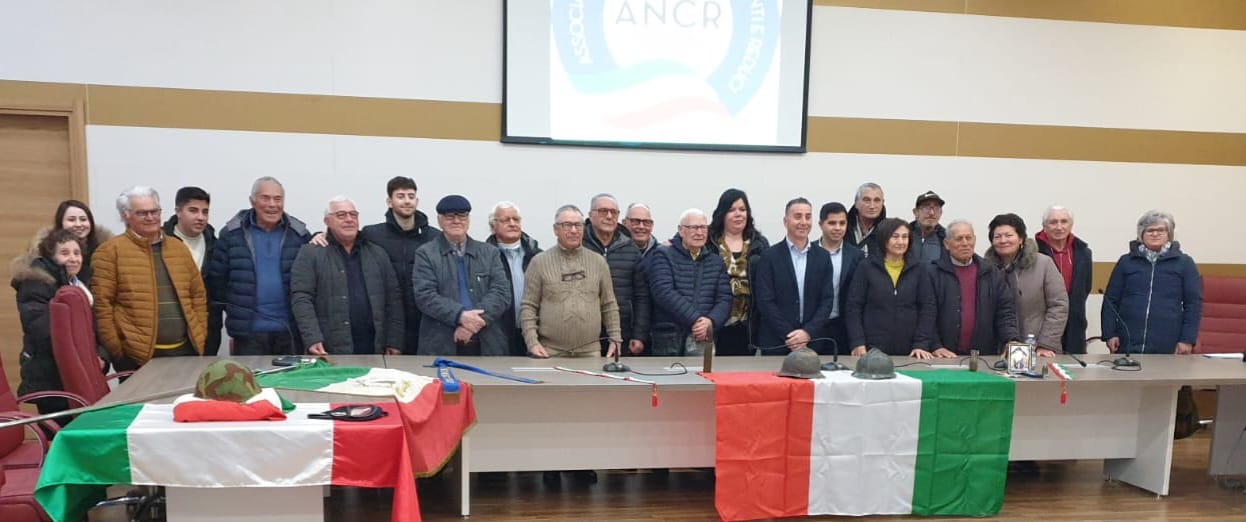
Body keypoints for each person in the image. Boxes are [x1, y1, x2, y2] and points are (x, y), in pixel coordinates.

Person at [93, 186, 207, 368]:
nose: (151, 217)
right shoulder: (109, 252)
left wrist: (199, 333)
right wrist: (117, 349)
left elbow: (197, 296)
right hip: (136, 357)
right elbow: (102, 306)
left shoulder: (178, 248)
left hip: (185, 351)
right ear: (125, 216)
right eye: (142, 213)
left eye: (155, 211)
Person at [207, 176, 311, 356]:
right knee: (251, 375)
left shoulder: (299, 235)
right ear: (252, 201)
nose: (272, 204)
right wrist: (237, 311)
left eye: (277, 199)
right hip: (248, 333)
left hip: (290, 331)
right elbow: (217, 282)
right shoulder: (231, 234)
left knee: (291, 376)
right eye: (265, 198)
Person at [290, 197, 403, 355]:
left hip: (374, 347)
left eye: (353, 214)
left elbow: (393, 299)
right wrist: (312, 337)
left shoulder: (377, 253)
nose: (349, 219)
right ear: (327, 221)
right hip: (328, 348)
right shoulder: (311, 253)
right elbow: (301, 298)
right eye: (341, 215)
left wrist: (394, 340)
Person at [12, 229, 104, 416]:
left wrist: (101, 356)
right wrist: (79, 357)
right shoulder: (35, 283)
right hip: (49, 373)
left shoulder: (81, 283)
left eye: (77, 253)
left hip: (83, 371)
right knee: (59, 429)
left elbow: (95, 329)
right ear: (51, 257)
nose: (73, 259)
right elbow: (42, 330)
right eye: (65, 253)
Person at [412, 195, 511, 356]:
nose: (456, 221)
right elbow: (425, 296)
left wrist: (471, 325)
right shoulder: (425, 254)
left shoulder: (489, 253)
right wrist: (459, 316)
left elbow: (501, 293)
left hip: (488, 343)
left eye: (462, 216)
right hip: (440, 343)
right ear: (439, 221)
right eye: (450, 216)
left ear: (468, 220)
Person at [521, 205, 621, 358]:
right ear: (556, 229)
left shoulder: (598, 262)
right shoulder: (538, 263)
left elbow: (609, 304)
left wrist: (615, 338)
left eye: (578, 225)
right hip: (549, 352)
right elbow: (529, 306)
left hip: (590, 353)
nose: (574, 230)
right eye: (567, 225)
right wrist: (532, 343)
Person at [1102, 210, 1202, 355]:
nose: (1155, 234)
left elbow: (1193, 304)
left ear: (1169, 234)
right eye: (1150, 230)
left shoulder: (1184, 263)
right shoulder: (1126, 262)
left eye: (1161, 230)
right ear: (1141, 234)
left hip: (1168, 343)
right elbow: (1111, 300)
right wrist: (1110, 333)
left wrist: (1187, 339)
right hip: (1127, 341)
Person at [359, 176, 439, 354]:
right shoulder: (372, 234)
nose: (407, 201)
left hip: (424, 319)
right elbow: (345, 240)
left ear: (417, 201)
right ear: (390, 201)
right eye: (400, 196)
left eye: (411, 196)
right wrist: (320, 235)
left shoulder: (434, 237)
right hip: (387, 318)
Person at [753, 198, 836, 355]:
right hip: (777, 342)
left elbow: (827, 300)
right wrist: (790, 335)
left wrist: (807, 333)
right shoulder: (769, 256)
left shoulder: (823, 257)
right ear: (786, 221)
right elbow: (765, 301)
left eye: (808, 217)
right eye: (798, 216)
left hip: (812, 342)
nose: (803, 222)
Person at [925, 220, 1019, 357]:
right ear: (946, 244)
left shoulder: (992, 272)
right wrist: (935, 345)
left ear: (974, 240)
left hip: (984, 356)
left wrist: (1011, 340)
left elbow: (1005, 311)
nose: (965, 243)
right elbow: (926, 314)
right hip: (943, 356)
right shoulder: (933, 273)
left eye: (969, 238)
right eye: (959, 239)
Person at [646, 208, 732, 356]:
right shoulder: (663, 254)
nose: (699, 232)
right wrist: (696, 320)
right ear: (681, 230)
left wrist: (710, 322)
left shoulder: (716, 261)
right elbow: (663, 292)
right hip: (669, 337)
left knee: (703, 372)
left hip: (703, 336)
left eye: (703, 227)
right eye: (694, 227)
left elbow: (725, 298)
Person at [844, 217, 934, 356]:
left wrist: (921, 344)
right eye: (895, 237)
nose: (901, 242)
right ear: (884, 239)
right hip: (872, 349)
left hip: (910, 350)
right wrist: (857, 342)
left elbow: (928, 308)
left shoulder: (919, 269)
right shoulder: (866, 267)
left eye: (905, 237)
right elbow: (853, 307)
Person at [983, 213, 1069, 357]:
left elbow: (1059, 306)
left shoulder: (1044, 264)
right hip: (994, 350)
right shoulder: (985, 269)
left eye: (1009, 235)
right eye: (997, 237)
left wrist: (1045, 344)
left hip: (1037, 348)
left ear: (1021, 238)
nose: (1003, 240)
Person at [583, 194, 648, 356]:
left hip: (622, 332)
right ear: (590, 215)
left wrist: (639, 334)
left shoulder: (630, 249)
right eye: (603, 211)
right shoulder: (579, 246)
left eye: (614, 212)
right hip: (585, 333)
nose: (609, 216)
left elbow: (641, 295)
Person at [706, 188, 769, 355]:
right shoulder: (709, 241)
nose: (738, 214)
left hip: (748, 326)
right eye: (732, 210)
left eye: (742, 209)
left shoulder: (759, 243)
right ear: (722, 213)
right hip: (715, 324)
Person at [162, 186, 222, 355]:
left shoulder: (216, 245)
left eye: (205, 212)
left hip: (208, 327)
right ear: (178, 212)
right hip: (172, 329)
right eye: (193, 211)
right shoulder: (161, 244)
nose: (200, 217)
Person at [485, 201, 542, 356]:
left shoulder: (538, 256)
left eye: (516, 219)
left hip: (536, 332)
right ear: (493, 227)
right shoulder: (484, 257)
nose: (512, 223)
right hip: (498, 332)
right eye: (505, 220)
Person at [1034, 205, 1093, 354]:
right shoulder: (1032, 252)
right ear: (1044, 226)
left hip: (1074, 326)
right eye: (1053, 222)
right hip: (1043, 325)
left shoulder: (1084, 253)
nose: (1059, 227)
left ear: (1071, 224)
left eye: (1064, 221)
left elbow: (1085, 287)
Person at [815, 202, 863, 355]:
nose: (837, 228)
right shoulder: (808, 252)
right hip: (812, 327)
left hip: (843, 327)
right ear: (821, 224)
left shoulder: (857, 256)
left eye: (842, 223)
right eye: (832, 223)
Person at [48, 199, 113, 284]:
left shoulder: (105, 250)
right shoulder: (47, 251)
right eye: (71, 220)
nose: (78, 224)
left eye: (83, 219)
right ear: (60, 222)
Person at [623, 202, 658, 352]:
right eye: (635, 221)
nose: (641, 226)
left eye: (646, 222)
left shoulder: (662, 254)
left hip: (656, 334)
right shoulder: (613, 253)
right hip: (624, 332)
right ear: (624, 223)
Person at [846, 183, 887, 258]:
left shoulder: (887, 231)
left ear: (882, 203)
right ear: (856, 203)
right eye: (867, 200)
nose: (872, 206)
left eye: (877, 200)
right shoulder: (843, 229)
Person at [908, 190, 947, 263]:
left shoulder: (946, 239)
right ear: (915, 212)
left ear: (941, 213)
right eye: (926, 207)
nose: (932, 213)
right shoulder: (904, 236)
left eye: (936, 208)